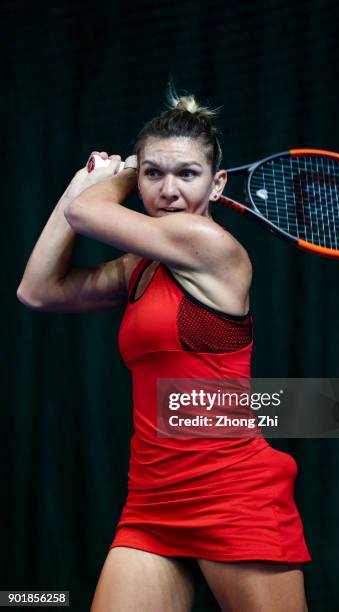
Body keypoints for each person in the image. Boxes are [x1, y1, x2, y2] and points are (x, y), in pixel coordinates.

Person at [17, 89, 311, 612]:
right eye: (154, 175)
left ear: (218, 184)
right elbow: (37, 290)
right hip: (153, 500)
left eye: (187, 174)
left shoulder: (209, 243)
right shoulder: (140, 266)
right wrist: (80, 187)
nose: (169, 190)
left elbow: (85, 213)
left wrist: (123, 176)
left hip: (232, 495)